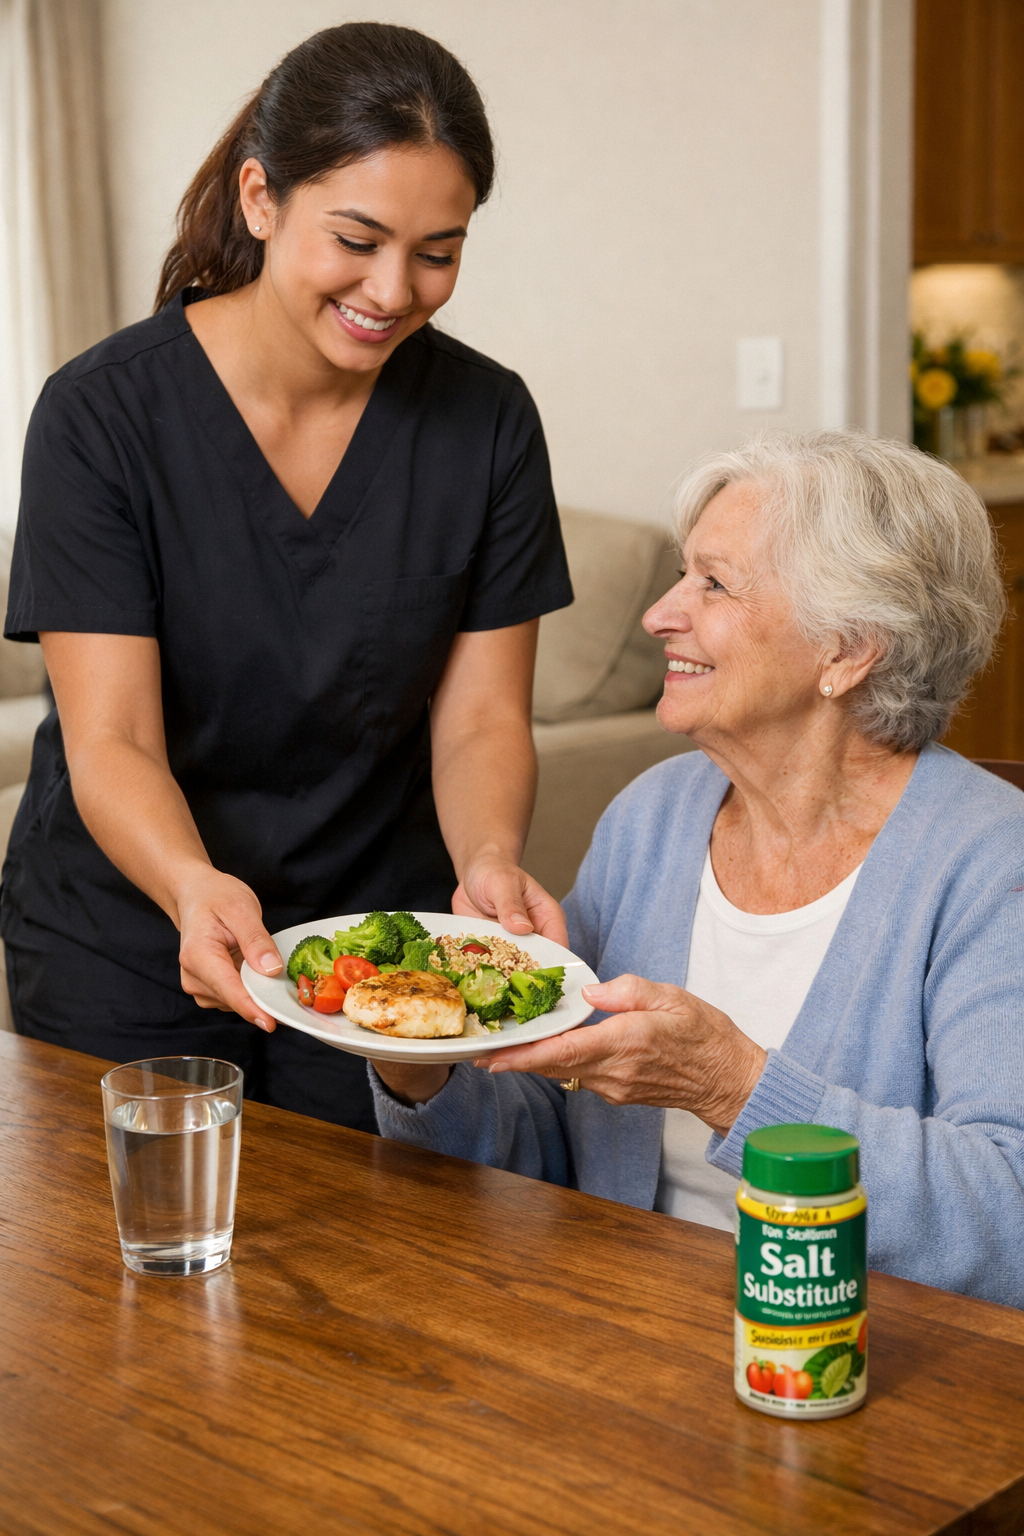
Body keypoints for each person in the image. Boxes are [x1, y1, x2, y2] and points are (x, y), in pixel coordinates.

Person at [1, 23, 572, 1131]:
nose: (393, 289)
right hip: (128, 934)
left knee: (370, 1282)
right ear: (261, 198)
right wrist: (190, 886)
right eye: (355, 238)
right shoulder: (101, 417)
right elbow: (110, 738)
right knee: (140, 1282)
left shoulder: (487, 422)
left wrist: (490, 861)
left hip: (370, 951)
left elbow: (481, 720)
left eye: (438, 251)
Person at [370, 429, 1024, 1307]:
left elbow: (1006, 1218)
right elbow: (552, 1149)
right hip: (619, 1328)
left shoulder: (991, 864)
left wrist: (735, 1086)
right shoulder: (654, 816)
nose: (659, 614)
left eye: (713, 583)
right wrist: (423, 1062)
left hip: (852, 1364)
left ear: (848, 648)